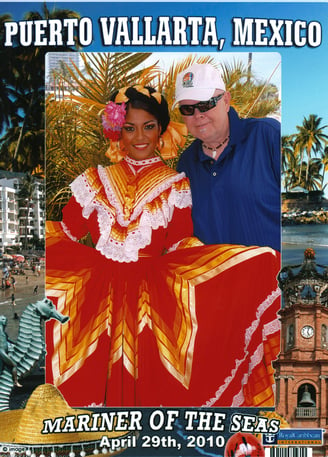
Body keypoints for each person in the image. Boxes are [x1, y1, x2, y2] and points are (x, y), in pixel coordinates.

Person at [46, 84, 281, 408]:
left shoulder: (175, 185)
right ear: (117, 132)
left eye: (148, 126)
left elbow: (179, 243)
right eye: (129, 128)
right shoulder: (93, 180)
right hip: (93, 295)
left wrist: (232, 263)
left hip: (152, 295)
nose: (139, 136)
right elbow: (67, 232)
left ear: (161, 131)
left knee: (160, 384)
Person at [175, 63, 281, 252]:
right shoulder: (186, 163)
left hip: (273, 279)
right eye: (187, 109)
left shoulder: (268, 136)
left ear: (226, 101)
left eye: (205, 104)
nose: (197, 115)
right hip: (214, 280)